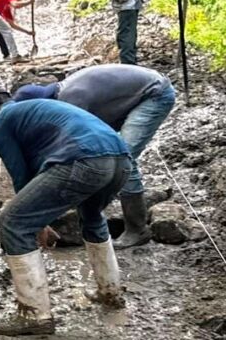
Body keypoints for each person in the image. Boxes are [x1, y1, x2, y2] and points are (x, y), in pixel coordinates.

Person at [0, 91, 131, 336]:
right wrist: (41, 218)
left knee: (12, 221)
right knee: (91, 216)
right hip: (121, 159)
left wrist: (35, 222)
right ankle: (110, 293)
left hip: (82, 158)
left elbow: (20, 176)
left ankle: (33, 315)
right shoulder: (33, 110)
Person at [13, 64, 177, 247]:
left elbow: (78, 149)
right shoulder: (61, 96)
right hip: (132, 96)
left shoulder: (70, 101)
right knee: (107, 156)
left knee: (124, 157)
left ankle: (136, 229)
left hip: (154, 94)